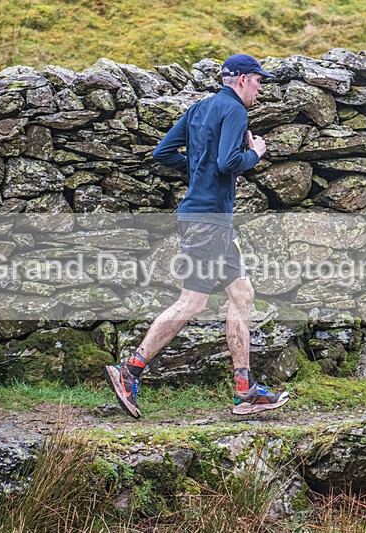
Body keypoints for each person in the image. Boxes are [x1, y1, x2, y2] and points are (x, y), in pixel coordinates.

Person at [105, 54, 290, 419]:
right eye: (257, 79)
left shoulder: (199, 108)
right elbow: (228, 163)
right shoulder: (235, 111)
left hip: (209, 220)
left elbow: (163, 153)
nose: (260, 87)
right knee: (192, 303)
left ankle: (244, 392)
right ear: (240, 80)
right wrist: (255, 154)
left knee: (242, 293)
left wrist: (197, 171)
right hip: (209, 221)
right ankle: (129, 372)